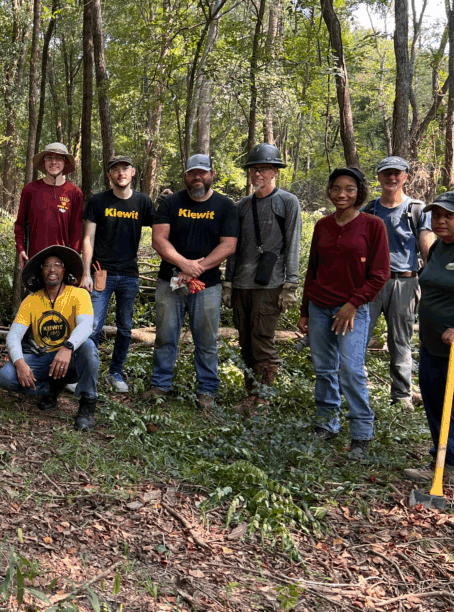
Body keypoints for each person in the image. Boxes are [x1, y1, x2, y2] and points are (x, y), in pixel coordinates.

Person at [299, 167, 389, 460]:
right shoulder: (323, 225)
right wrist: (305, 311)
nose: (342, 194)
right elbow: (312, 269)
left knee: (351, 370)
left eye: (349, 189)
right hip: (319, 306)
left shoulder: (373, 225)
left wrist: (353, 304)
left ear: (359, 192)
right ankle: (327, 423)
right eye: (337, 188)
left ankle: (361, 433)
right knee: (324, 369)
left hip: (352, 310)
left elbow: (380, 274)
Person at [144, 154, 239, 407]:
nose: (197, 177)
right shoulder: (170, 202)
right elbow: (159, 239)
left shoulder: (225, 206)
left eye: (202, 172)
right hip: (170, 282)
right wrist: (182, 264)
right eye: (192, 173)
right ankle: (160, 385)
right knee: (165, 336)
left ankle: (207, 390)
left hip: (208, 286)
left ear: (212, 174)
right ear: (185, 175)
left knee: (206, 340)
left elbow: (229, 245)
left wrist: (196, 268)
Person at [223, 144, 303, 412]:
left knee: (262, 340)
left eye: (264, 169)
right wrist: (228, 283)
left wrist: (290, 284)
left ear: (274, 172)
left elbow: (293, 243)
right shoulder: (242, 206)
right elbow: (232, 247)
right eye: (254, 169)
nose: (258, 174)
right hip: (242, 283)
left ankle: (264, 397)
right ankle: (250, 395)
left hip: (270, 284)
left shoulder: (287, 202)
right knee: (245, 339)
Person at [404, 192, 454, 486]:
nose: (441, 220)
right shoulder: (438, 248)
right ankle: (445, 465)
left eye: (450, 215)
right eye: (436, 214)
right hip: (432, 346)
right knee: (439, 409)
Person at [0, 246, 100, 431]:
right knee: (6, 377)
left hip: (70, 361)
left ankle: (87, 403)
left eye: (57, 265)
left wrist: (68, 347)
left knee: (89, 347)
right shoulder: (31, 300)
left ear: (64, 270)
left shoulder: (79, 294)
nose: (52, 269)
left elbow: (87, 325)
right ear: (41, 272)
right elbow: (14, 335)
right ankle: (50, 389)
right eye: (46, 266)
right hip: (44, 359)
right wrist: (20, 363)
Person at [362, 156, 435, 411]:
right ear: (379, 177)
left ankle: (402, 397)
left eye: (397, 173)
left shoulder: (416, 209)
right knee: (358, 338)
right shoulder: (369, 210)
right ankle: (354, 391)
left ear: (405, 176)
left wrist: (432, 281)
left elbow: (426, 244)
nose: (391, 178)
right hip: (371, 284)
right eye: (386, 174)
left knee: (401, 342)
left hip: (405, 283)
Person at [80, 155, 154, 393]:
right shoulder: (98, 201)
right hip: (102, 273)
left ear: (133, 173)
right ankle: (85, 373)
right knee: (91, 327)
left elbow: (162, 231)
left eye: (125, 168)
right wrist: (86, 273)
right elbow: (88, 238)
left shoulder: (143, 202)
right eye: (116, 170)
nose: (121, 173)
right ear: (109, 176)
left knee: (124, 328)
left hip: (130, 275)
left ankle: (115, 373)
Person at [15, 142, 84, 266]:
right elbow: (20, 224)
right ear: (43, 161)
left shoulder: (75, 193)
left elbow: (77, 231)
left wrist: (73, 259)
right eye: (49, 158)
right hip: (34, 260)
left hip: (63, 262)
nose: (53, 162)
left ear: (65, 162)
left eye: (58, 158)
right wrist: (20, 249)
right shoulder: (30, 190)